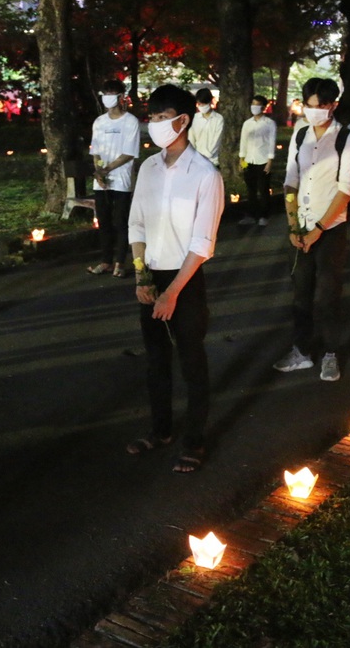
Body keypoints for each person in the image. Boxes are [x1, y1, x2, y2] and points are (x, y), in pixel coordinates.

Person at [126, 84, 224, 474]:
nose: (154, 124)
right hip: (149, 278)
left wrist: (172, 292)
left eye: (162, 117)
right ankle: (160, 429)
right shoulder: (148, 168)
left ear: (183, 120)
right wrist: (141, 275)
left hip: (185, 280)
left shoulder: (205, 174)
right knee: (155, 362)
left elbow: (202, 243)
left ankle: (194, 441)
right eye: (151, 117)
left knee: (191, 362)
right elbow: (136, 223)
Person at [274, 77, 350, 382]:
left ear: (332, 106)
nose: (313, 112)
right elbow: (290, 178)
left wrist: (319, 228)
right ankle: (301, 350)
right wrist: (293, 223)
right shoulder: (299, 134)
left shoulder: (345, 139)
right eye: (308, 106)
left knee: (327, 295)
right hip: (301, 225)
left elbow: (345, 189)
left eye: (319, 106)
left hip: (330, 229)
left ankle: (330, 353)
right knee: (300, 292)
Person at [88, 79, 140, 277]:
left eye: (112, 93)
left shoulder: (130, 121)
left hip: (122, 179)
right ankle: (105, 260)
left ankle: (120, 262)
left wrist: (107, 169)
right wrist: (99, 171)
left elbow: (128, 153)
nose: (107, 97)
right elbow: (96, 150)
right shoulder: (99, 122)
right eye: (105, 93)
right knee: (104, 221)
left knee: (121, 221)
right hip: (102, 181)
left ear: (120, 97)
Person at [237, 95, 276, 226]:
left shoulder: (269, 124)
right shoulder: (247, 123)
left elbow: (272, 142)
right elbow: (243, 142)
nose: (254, 107)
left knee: (263, 189)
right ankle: (251, 215)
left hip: (263, 160)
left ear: (263, 107)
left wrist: (270, 161)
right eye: (252, 104)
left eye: (257, 104)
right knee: (250, 189)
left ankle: (264, 215)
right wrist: (242, 160)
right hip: (249, 160)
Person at [188, 87, 224, 168]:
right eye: (199, 104)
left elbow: (217, 140)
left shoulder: (218, 119)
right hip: (196, 160)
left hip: (213, 161)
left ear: (210, 101)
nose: (201, 106)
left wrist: (206, 155)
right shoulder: (195, 118)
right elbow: (191, 139)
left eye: (203, 104)